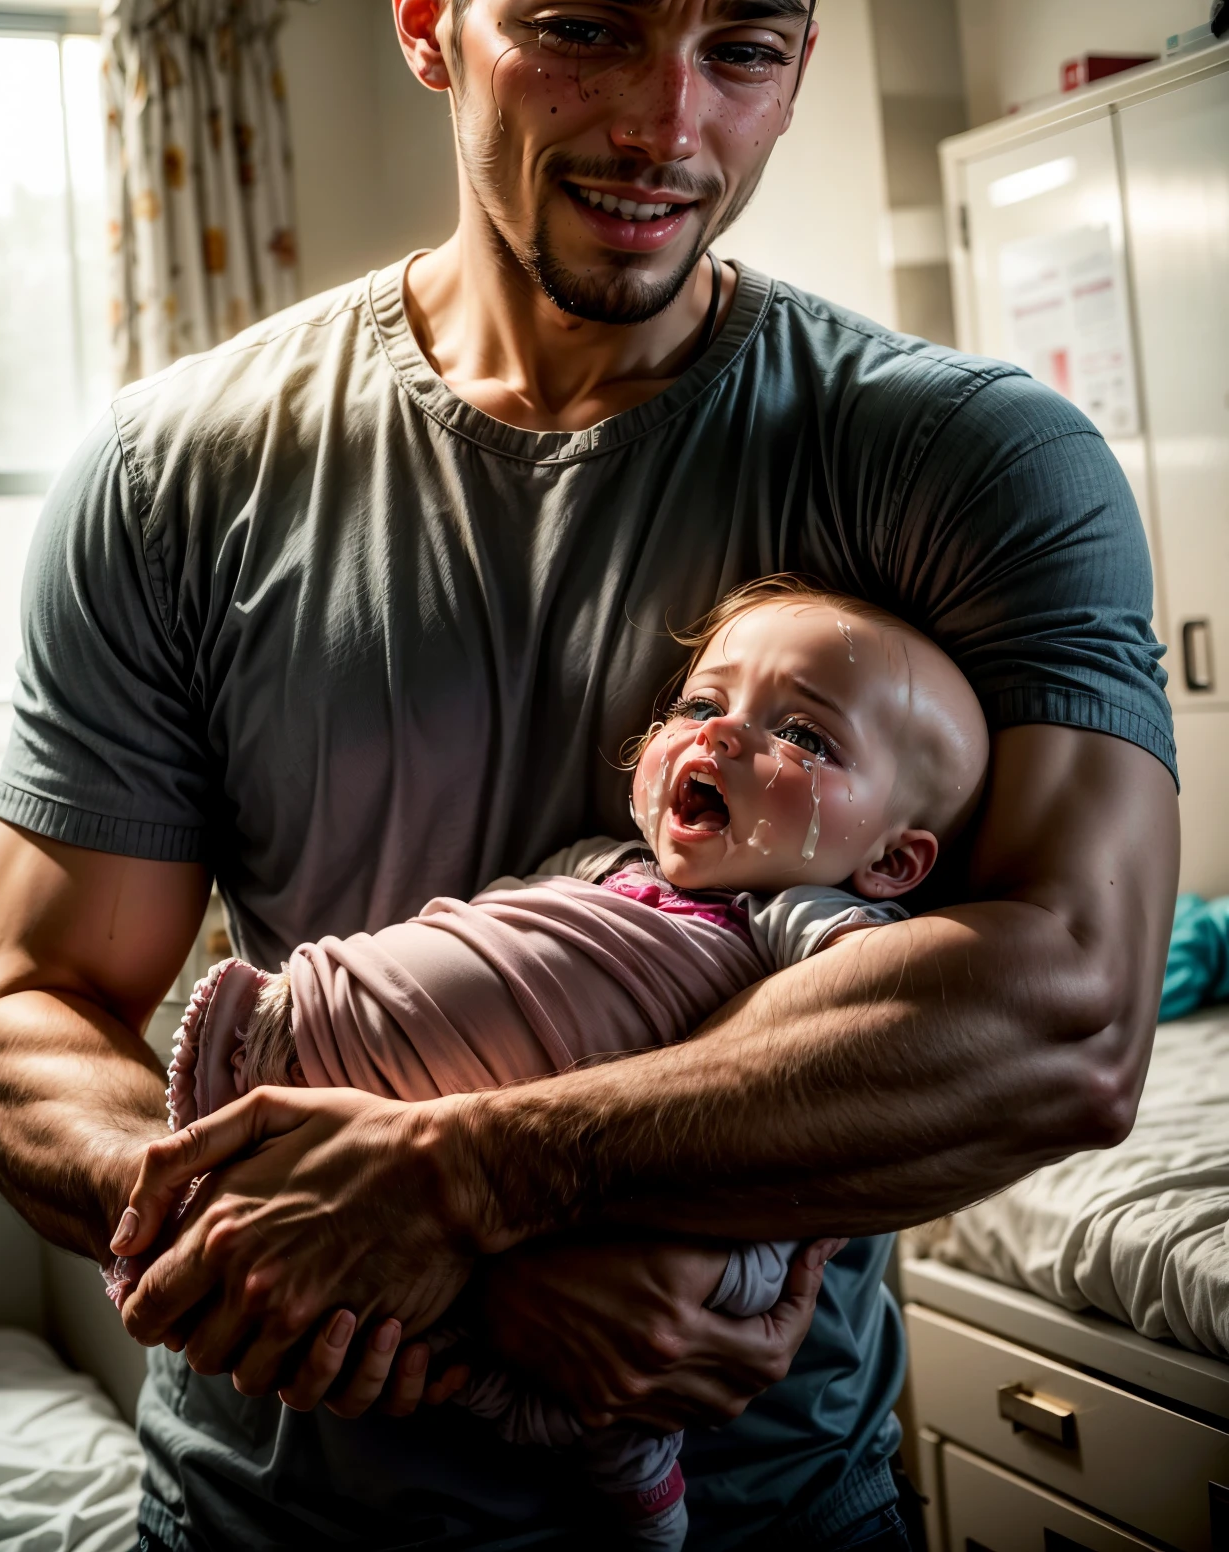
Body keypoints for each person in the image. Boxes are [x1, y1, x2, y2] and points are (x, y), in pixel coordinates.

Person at [0, 0, 1178, 1552]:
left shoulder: (962, 459)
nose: (667, 126)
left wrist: (465, 1179)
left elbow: (1061, 1005)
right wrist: (431, 1267)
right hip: (279, 1518)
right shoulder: (171, 468)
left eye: (748, 47)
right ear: (434, 24)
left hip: (773, 1515)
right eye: (586, 25)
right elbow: (24, 1028)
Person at [113, 576, 989, 1551]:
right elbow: (490, 928)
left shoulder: (797, 913)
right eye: (700, 704)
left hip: (618, 1241)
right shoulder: (601, 864)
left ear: (894, 863)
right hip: (340, 1109)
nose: (724, 735)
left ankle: (639, 1486)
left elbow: (882, 1020)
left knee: (655, 1325)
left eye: (807, 739)